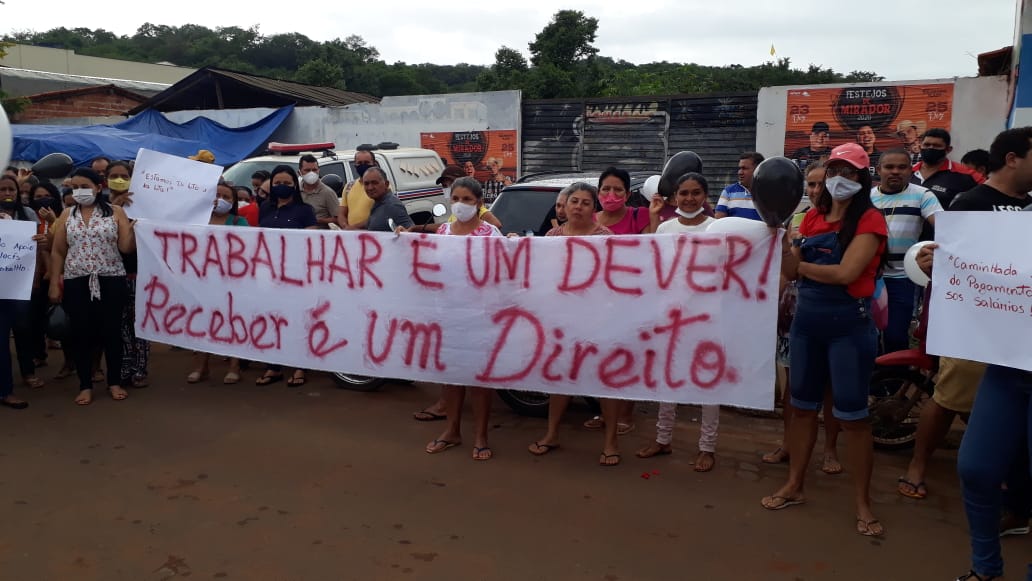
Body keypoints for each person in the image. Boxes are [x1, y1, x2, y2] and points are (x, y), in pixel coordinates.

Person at [899, 128, 1032, 505]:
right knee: (948, 398)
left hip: (1020, 334)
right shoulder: (970, 203)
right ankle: (918, 466)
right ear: (1012, 159)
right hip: (974, 330)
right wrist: (931, 264)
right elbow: (948, 267)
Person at [763, 143, 887, 539]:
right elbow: (788, 272)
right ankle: (795, 484)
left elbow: (847, 274)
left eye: (849, 172)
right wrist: (781, 244)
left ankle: (862, 502)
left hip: (849, 327)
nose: (839, 180)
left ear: (862, 179)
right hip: (807, 326)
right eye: (835, 171)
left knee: (853, 417)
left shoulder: (870, 220)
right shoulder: (811, 219)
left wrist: (800, 266)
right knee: (800, 409)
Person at [940, 127, 1032, 581]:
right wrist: (930, 260)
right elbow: (958, 264)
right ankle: (986, 569)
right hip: (1009, 362)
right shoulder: (980, 206)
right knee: (976, 468)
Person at [527, 181, 622, 466]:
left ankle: (610, 442)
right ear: (564, 206)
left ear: (594, 208)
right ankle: (552, 434)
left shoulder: (605, 237)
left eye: (585, 202)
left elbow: (614, 280)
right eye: (574, 201)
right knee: (559, 379)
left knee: (605, 382)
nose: (578, 206)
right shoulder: (552, 236)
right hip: (562, 321)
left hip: (597, 319)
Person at [637, 172, 720, 471]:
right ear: (674, 197)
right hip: (670, 317)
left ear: (705, 195)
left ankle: (707, 447)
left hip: (708, 317)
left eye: (695, 193)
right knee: (667, 380)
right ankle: (662, 439)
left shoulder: (717, 229)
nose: (689, 199)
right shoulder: (665, 229)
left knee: (708, 383)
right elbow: (653, 266)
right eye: (683, 193)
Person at [763, 163, 843, 474]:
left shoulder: (851, 222)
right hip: (795, 314)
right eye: (809, 185)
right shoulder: (796, 221)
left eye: (821, 184)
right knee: (793, 388)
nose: (815, 190)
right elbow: (787, 271)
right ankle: (788, 444)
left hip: (836, 315)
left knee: (829, 389)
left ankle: (830, 450)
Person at [419, 177, 502, 460]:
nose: (461, 204)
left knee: (479, 381)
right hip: (447, 316)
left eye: (467, 200)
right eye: (456, 199)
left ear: (479, 203)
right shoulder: (443, 231)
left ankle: (481, 435)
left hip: (480, 317)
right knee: (452, 379)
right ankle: (452, 430)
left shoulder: (491, 234)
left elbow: (503, 274)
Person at [49, 168, 135, 406]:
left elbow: (126, 248)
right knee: (81, 333)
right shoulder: (67, 214)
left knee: (111, 333)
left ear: (99, 187)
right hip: (77, 280)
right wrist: (55, 283)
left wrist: (134, 229)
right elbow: (58, 251)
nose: (79, 192)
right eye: (75, 187)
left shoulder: (116, 212)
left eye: (84, 186)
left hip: (111, 279)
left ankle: (114, 381)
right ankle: (85, 384)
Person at [584, 167, 651, 436]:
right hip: (595, 302)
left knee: (626, 357)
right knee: (600, 358)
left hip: (630, 300)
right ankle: (604, 411)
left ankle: (625, 414)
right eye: (605, 189)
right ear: (598, 193)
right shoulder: (590, 218)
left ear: (627, 193)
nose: (611, 194)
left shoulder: (640, 215)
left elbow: (653, 252)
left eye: (617, 190)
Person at [869, 149, 942, 354]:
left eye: (902, 167)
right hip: (869, 277)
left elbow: (944, 226)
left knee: (895, 336)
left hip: (902, 278)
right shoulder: (867, 198)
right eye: (889, 167)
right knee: (868, 335)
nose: (895, 172)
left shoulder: (923, 195)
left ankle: (895, 383)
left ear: (911, 170)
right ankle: (872, 381)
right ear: (879, 170)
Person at [256, 165, 317, 387]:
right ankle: (274, 366)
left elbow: (313, 242)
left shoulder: (305, 210)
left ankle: (300, 366)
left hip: (295, 274)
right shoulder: (264, 208)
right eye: (277, 183)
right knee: (272, 319)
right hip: (268, 274)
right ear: (271, 185)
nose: (282, 187)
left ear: (295, 186)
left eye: (287, 183)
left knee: (296, 320)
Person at [188, 182, 249, 385]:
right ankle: (201, 366)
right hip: (203, 280)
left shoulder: (239, 222)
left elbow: (247, 250)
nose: (221, 200)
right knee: (203, 322)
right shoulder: (198, 221)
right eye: (217, 195)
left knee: (232, 322)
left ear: (233, 202)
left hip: (231, 281)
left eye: (227, 197)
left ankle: (234, 366)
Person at [106, 160, 150, 389]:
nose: (119, 179)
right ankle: (123, 367)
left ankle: (140, 368)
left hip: (139, 274)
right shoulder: (99, 206)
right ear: (105, 179)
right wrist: (115, 208)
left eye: (124, 175)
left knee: (139, 324)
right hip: (111, 275)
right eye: (114, 175)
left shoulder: (145, 203)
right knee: (118, 325)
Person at [911, 128, 984, 209]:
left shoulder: (966, 174)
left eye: (937, 146)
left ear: (948, 149)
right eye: (927, 145)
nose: (931, 148)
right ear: (920, 147)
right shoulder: (908, 172)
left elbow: (990, 193)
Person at [715, 152, 765, 220]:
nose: (740, 172)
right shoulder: (728, 191)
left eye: (744, 168)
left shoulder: (768, 193)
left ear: (758, 170)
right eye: (740, 168)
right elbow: (719, 221)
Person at [362, 167, 414, 232]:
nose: (370, 188)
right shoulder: (377, 202)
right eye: (366, 184)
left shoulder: (393, 205)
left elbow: (411, 233)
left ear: (386, 184)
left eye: (374, 183)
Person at [337, 150, 377, 230]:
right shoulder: (349, 186)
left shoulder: (381, 186)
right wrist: (345, 226)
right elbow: (341, 214)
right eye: (359, 163)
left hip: (372, 236)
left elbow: (381, 216)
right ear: (355, 165)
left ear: (374, 164)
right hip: (353, 237)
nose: (363, 166)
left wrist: (353, 228)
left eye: (366, 163)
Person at [297, 154, 340, 228]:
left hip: (319, 236)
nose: (311, 173)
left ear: (318, 170)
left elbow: (339, 219)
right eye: (307, 170)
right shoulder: (295, 191)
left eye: (314, 170)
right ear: (299, 172)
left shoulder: (327, 193)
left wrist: (317, 220)